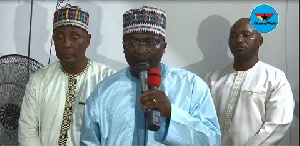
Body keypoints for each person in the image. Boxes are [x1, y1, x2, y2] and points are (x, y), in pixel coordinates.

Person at [80, 6, 220, 145]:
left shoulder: (191, 85)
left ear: (164, 47)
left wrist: (172, 113)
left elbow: (212, 140)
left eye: (151, 43)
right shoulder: (105, 90)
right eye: (132, 43)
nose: (141, 50)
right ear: (123, 47)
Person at [18, 4, 116, 146]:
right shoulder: (39, 80)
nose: (66, 44)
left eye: (74, 38)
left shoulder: (107, 79)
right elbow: (27, 130)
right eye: (60, 38)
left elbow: (113, 132)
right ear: (53, 40)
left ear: (87, 40)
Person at [205, 18, 294, 145]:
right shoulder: (213, 77)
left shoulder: (275, 78)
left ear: (260, 41)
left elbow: (278, 123)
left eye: (246, 35)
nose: (239, 40)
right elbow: (202, 119)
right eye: (233, 36)